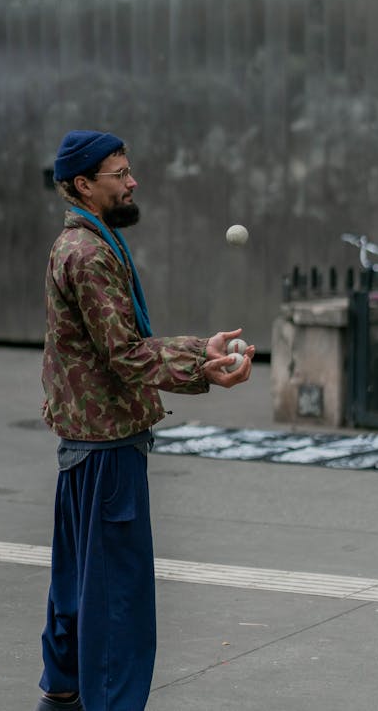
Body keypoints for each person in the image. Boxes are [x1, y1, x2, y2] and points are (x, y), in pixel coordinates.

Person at [36, 130, 255, 711]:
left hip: (86, 442)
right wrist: (204, 366)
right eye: (120, 175)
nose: (132, 183)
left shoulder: (79, 243)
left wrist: (197, 353)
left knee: (76, 592)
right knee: (117, 607)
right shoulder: (89, 254)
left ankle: (59, 697)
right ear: (85, 184)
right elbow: (124, 353)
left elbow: (117, 348)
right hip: (106, 450)